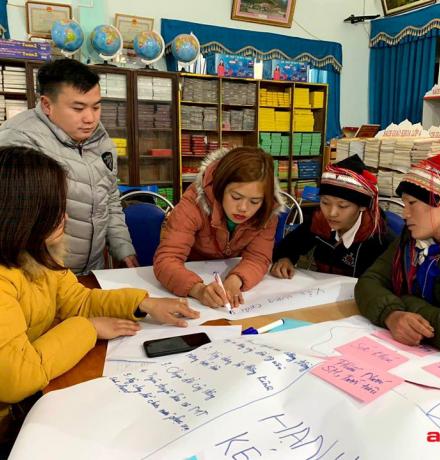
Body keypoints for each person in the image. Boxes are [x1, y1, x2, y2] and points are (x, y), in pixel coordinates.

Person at [0, 146, 199, 423]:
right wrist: (89, 328)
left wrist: (143, 303)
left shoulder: (38, 254)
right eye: (55, 209)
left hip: (35, 398)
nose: (65, 218)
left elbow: (78, 300)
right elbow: (16, 378)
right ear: (20, 215)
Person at [0, 59, 137, 275]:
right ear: (47, 105)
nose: (90, 118)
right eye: (78, 108)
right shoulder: (19, 143)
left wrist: (123, 249)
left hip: (92, 271)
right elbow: (14, 222)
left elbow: (109, 198)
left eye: (96, 107)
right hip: (40, 275)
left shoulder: (100, 139)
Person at [154, 147, 284, 309]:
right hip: (190, 273)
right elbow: (166, 259)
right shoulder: (194, 202)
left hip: (228, 274)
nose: (243, 208)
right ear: (220, 188)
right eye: (236, 197)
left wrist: (235, 280)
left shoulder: (267, 211)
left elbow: (258, 258)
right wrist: (198, 289)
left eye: (255, 201)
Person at [355, 155, 440, 354]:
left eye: (412, 203)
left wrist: (404, 299)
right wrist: (392, 314)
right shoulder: (411, 240)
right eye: (404, 205)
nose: (404, 214)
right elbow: (369, 281)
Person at [271, 155, 394, 279]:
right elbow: (291, 244)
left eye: (342, 206)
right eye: (325, 202)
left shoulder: (378, 238)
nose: (331, 213)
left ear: (362, 206)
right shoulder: (319, 222)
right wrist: (285, 258)